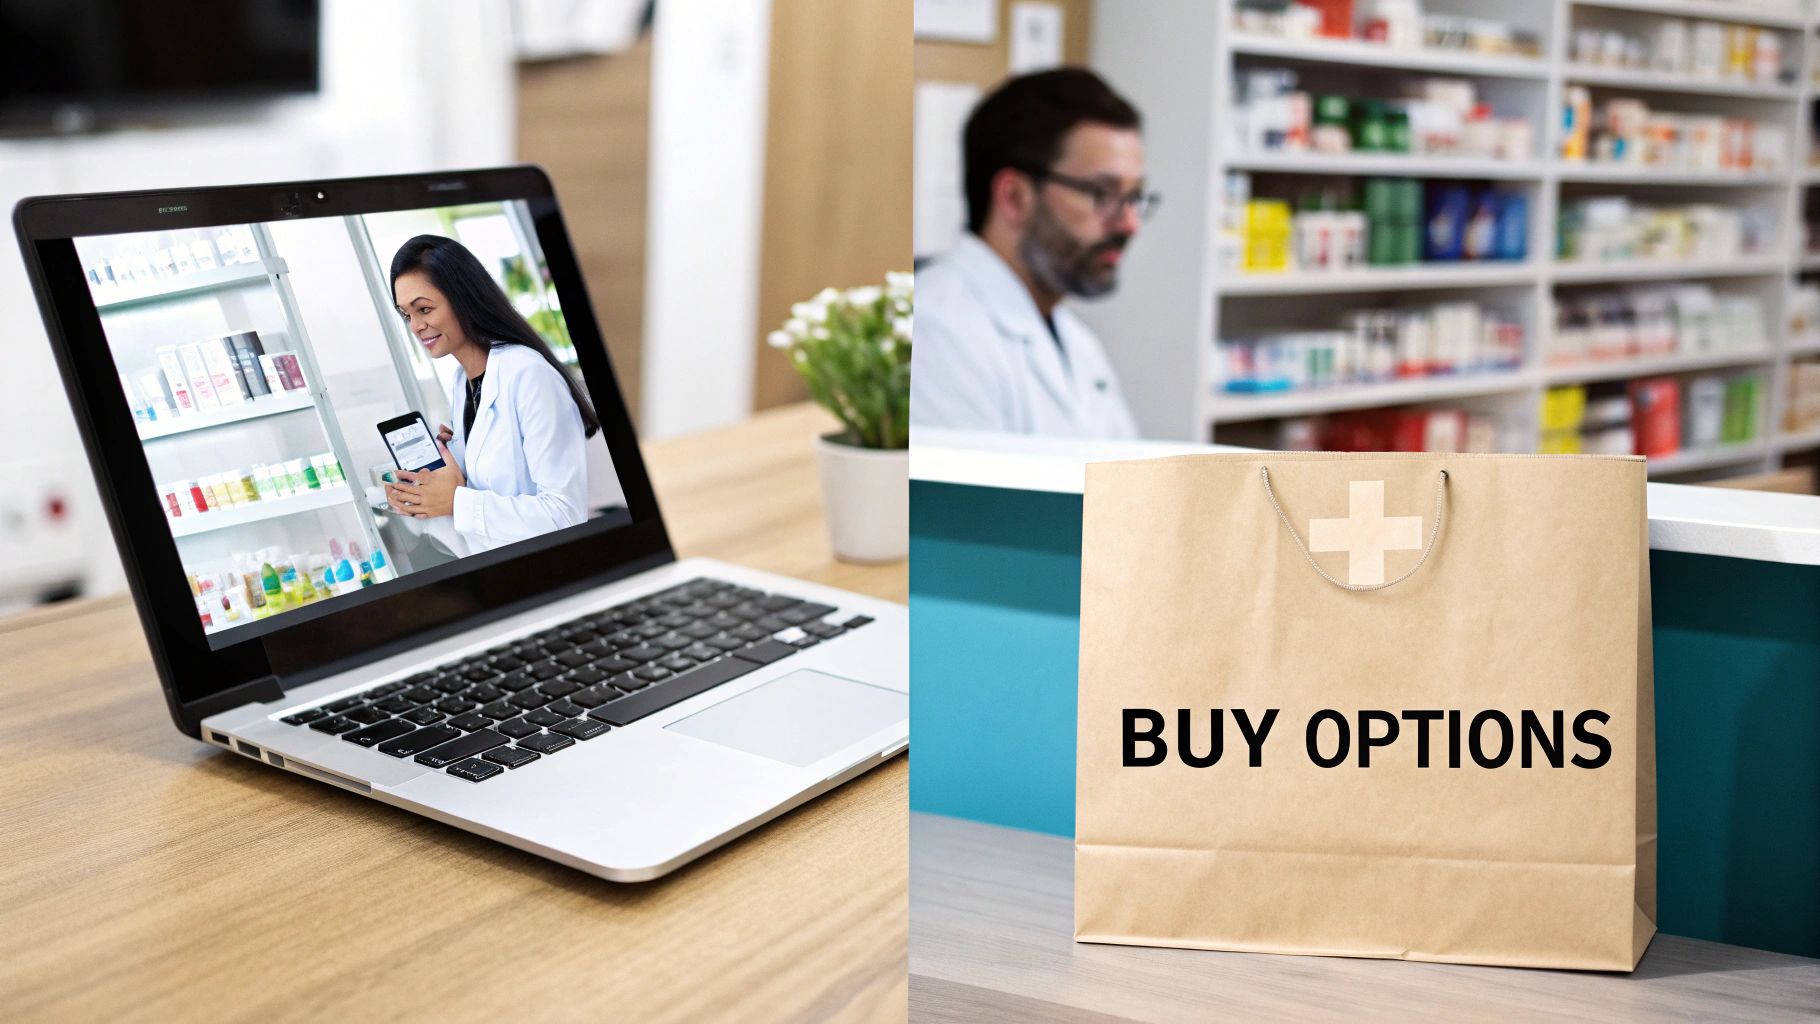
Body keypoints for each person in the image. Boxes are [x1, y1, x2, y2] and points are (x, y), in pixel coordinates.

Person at [912, 67, 1157, 439]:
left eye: (1134, 197)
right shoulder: (936, 333)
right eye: (1102, 194)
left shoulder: (1078, 343)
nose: (1129, 224)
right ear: (1014, 197)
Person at [383, 234, 598, 554]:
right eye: (406, 314)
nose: (415, 326)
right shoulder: (462, 383)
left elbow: (565, 515)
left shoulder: (527, 373)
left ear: (463, 297)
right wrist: (428, 492)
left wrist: (456, 501)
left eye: (424, 309)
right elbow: (482, 490)